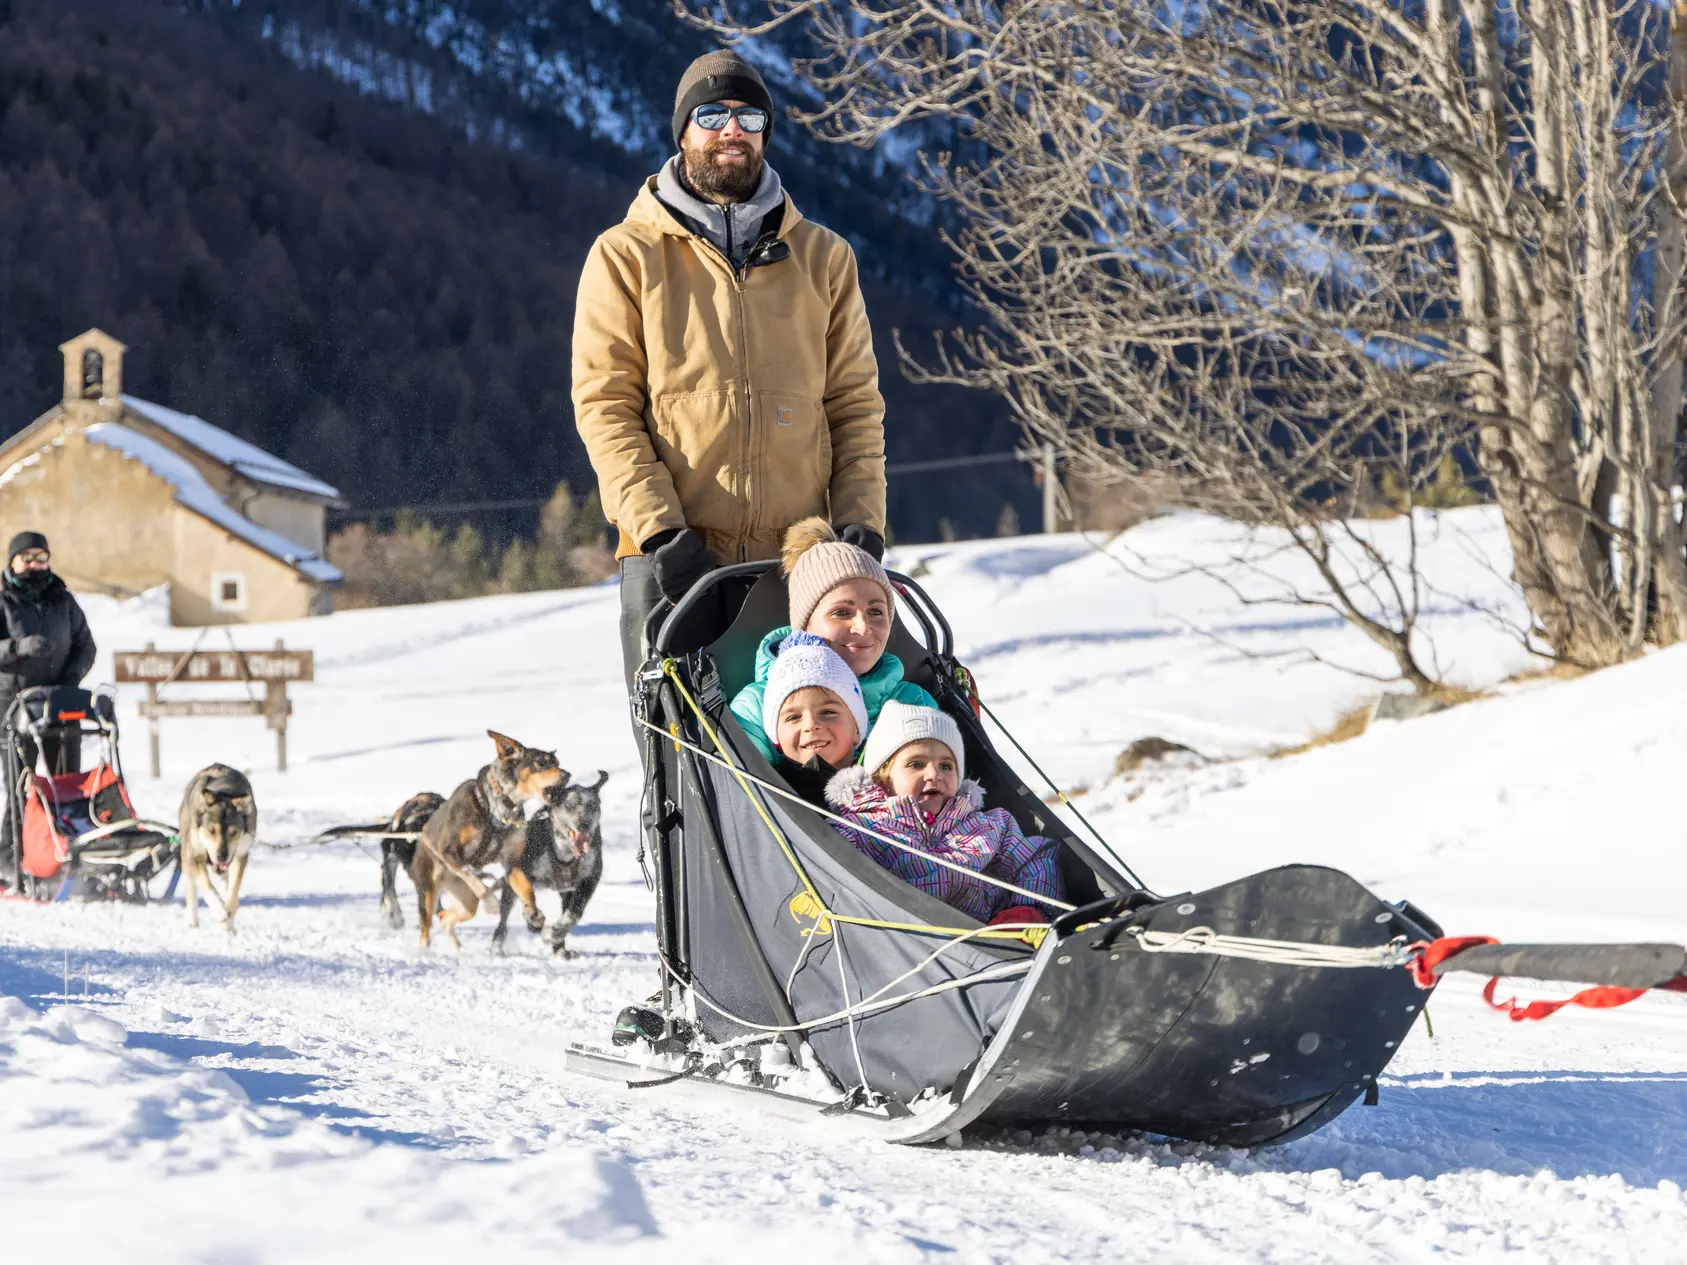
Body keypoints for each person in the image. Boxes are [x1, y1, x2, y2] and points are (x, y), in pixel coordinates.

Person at [572, 49, 889, 693]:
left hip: (797, 566)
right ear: (683, 130)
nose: (731, 131)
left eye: (749, 118)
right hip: (673, 562)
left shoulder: (824, 258)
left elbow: (855, 405)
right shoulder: (625, 255)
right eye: (712, 114)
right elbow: (606, 407)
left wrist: (862, 526)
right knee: (681, 769)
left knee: (805, 761)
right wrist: (662, 532)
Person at [825, 701, 1065, 924]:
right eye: (916, 764)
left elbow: (1035, 859)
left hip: (990, 940)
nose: (934, 774)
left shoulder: (987, 825)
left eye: (946, 766)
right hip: (906, 943)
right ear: (883, 777)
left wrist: (1027, 912)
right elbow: (833, 879)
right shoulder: (861, 829)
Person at [730, 517, 936, 760]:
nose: (862, 627)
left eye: (876, 612)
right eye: (841, 613)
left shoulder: (911, 703)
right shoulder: (755, 708)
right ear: (804, 625)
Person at [0, 532, 95, 776]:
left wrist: (71, 678)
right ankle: (19, 815)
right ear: (13, 561)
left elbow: (86, 646)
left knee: (66, 782)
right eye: (27, 557)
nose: (34, 564)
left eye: (40, 557)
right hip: (16, 704)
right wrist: (19, 647)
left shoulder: (64, 601)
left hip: (59, 702)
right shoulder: (4, 603)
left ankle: (63, 815)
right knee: (21, 785)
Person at [760, 631, 867, 805]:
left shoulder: (886, 781)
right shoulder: (769, 793)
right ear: (776, 737)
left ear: (857, 728)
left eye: (827, 712)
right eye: (793, 717)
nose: (810, 725)